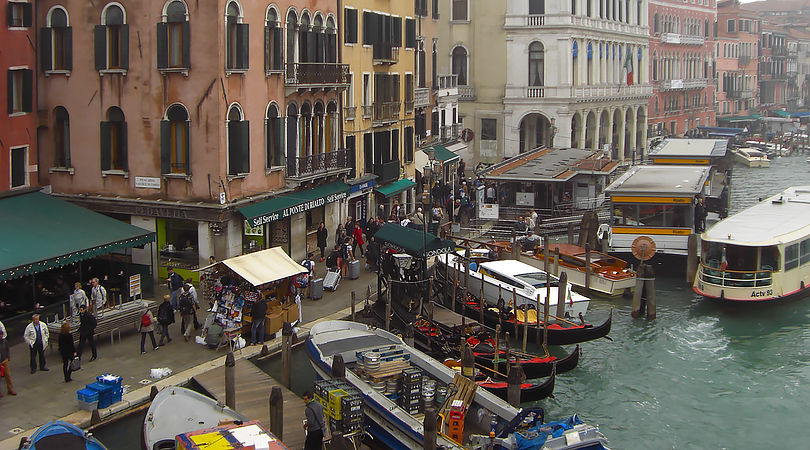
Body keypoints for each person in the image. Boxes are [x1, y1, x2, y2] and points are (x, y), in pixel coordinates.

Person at [0, 323, 16, 396]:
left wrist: (7, 357)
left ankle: (10, 389)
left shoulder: (5, 342)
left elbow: (7, 349)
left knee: (8, 375)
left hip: (4, 360)